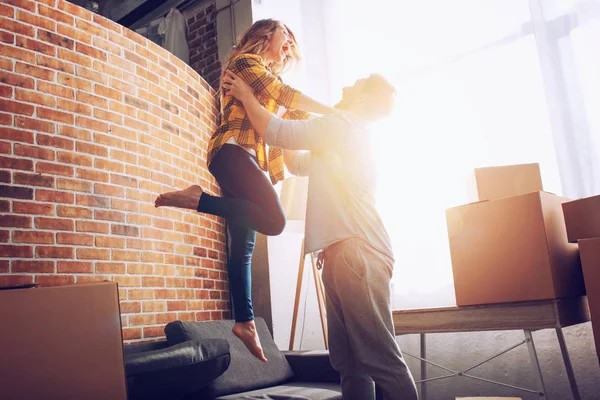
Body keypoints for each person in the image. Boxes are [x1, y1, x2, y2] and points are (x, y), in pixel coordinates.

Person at [222, 70, 419, 400]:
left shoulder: (343, 124)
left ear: (362, 98)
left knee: (380, 359)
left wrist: (246, 95)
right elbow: (296, 164)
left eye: (353, 84)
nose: (344, 85)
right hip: (343, 252)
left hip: (357, 250)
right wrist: (286, 110)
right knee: (349, 362)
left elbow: (277, 133)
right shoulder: (343, 136)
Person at [154, 19, 335, 363]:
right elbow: (287, 97)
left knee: (244, 249)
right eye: (285, 36)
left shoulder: (268, 82)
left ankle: (245, 322)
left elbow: (294, 115)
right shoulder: (245, 64)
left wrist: (325, 133)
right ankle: (198, 199)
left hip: (242, 159)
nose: (289, 44)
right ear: (265, 36)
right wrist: (338, 113)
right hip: (233, 152)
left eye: (291, 42)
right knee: (275, 221)